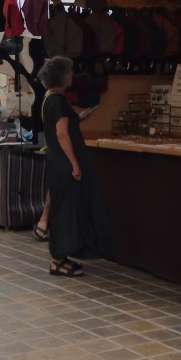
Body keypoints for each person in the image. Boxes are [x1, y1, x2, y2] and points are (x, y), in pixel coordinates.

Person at [38, 55, 112, 278]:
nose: (72, 75)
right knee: (67, 210)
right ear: (61, 76)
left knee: (63, 208)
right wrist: (74, 164)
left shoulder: (49, 98)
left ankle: (61, 257)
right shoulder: (58, 101)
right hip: (64, 163)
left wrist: (78, 118)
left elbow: (60, 127)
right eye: (69, 72)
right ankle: (58, 259)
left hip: (56, 161)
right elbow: (62, 134)